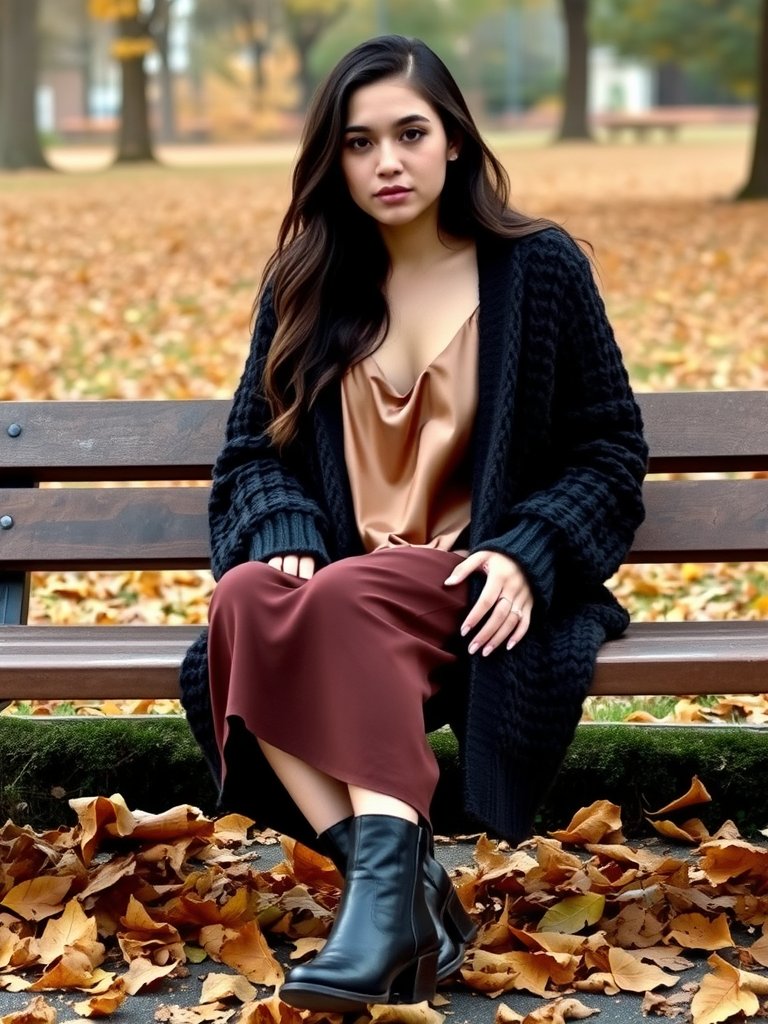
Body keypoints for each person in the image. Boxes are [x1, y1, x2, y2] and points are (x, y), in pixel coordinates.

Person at [180, 34, 648, 1013]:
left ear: (456, 144)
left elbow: (608, 450)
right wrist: (280, 524)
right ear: (333, 161)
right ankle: (397, 894)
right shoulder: (307, 281)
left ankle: (382, 907)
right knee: (238, 602)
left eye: (409, 134)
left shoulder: (538, 269)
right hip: (349, 590)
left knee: (341, 592)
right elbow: (249, 456)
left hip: (473, 583)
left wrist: (529, 553)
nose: (386, 162)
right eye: (358, 143)